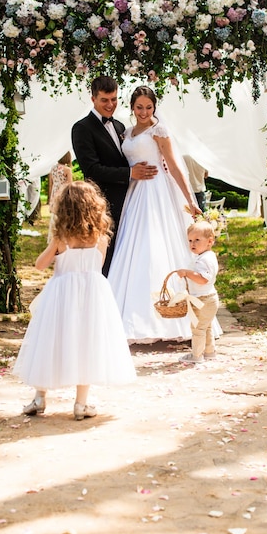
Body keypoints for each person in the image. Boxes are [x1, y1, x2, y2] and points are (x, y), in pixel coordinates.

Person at [13, 181, 137, 420]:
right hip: (92, 294)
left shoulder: (61, 239)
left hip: (61, 294)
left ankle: (39, 397)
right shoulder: (100, 238)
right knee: (87, 343)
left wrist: (54, 246)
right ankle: (81, 404)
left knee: (50, 341)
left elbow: (39, 265)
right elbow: (98, 266)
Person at [108, 85, 202, 344]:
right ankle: (130, 314)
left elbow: (173, 165)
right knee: (131, 247)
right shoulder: (126, 132)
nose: (144, 112)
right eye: (139, 107)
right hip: (135, 193)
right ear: (132, 107)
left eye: (149, 107)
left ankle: (169, 315)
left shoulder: (159, 131)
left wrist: (190, 199)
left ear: (154, 107)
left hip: (157, 192)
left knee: (155, 245)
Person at [71, 76, 157, 275]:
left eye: (114, 99)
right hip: (102, 204)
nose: (110, 105)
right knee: (104, 257)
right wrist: (130, 173)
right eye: (104, 100)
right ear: (93, 99)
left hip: (129, 202)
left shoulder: (120, 126)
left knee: (124, 256)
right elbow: (91, 169)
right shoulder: (82, 128)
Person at [175, 220, 220, 363]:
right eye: (190, 240)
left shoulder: (203, 260)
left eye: (197, 240)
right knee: (206, 327)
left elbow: (202, 279)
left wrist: (187, 273)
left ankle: (197, 355)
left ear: (209, 241)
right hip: (209, 297)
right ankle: (209, 351)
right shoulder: (207, 256)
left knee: (198, 329)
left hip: (203, 300)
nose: (192, 244)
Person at [47, 151, 73, 242]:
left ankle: (52, 236)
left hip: (55, 192)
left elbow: (51, 184)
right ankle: (62, 237)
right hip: (63, 193)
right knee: (63, 216)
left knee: (54, 216)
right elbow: (70, 185)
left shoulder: (53, 168)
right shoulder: (67, 170)